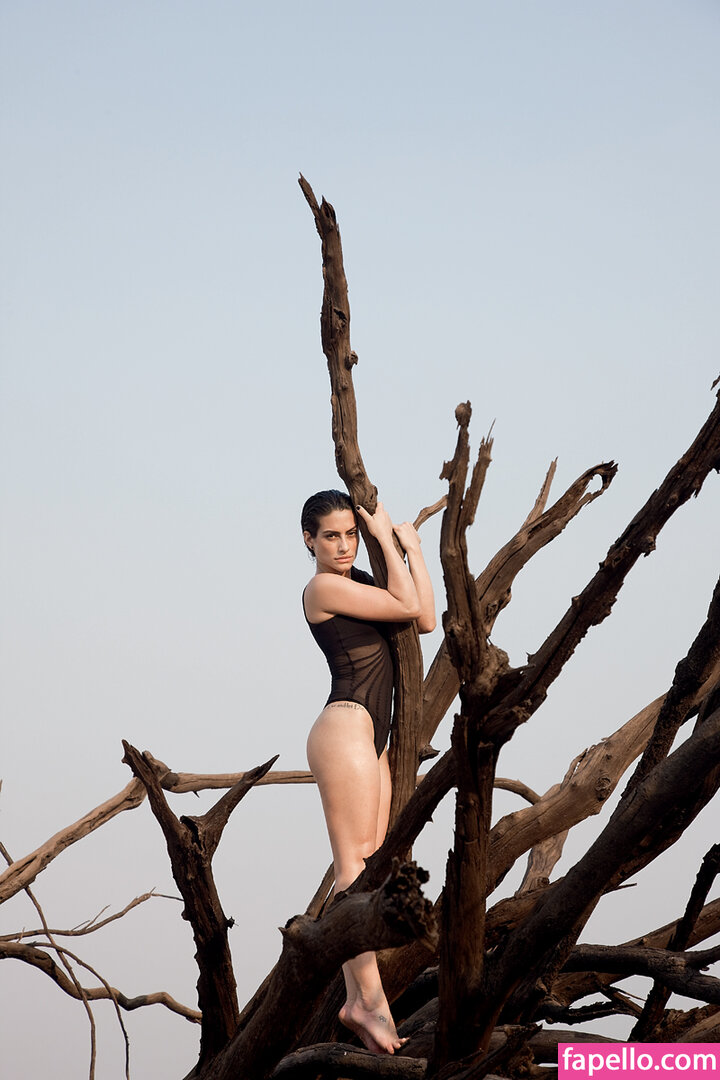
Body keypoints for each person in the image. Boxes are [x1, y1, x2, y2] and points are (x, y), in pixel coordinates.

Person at [301, 489, 435, 1055]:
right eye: (331, 536)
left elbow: (424, 618)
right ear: (309, 540)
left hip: (371, 740)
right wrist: (383, 535)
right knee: (353, 863)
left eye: (350, 534)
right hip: (346, 726)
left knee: (374, 863)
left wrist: (412, 548)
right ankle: (370, 1004)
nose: (342, 545)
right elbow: (405, 604)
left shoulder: (358, 583)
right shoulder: (323, 588)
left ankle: (358, 999)